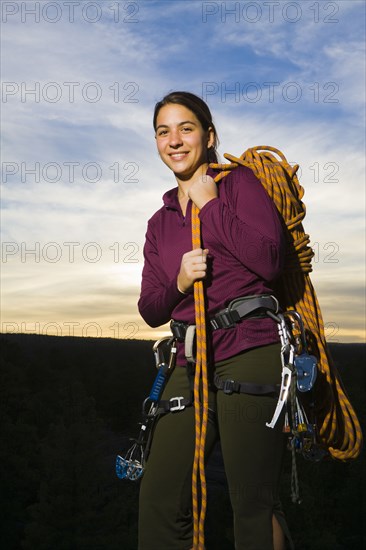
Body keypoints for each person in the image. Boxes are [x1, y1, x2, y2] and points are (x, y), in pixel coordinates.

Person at [137, 91, 292, 550]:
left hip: (250, 348)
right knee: (160, 498)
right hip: (188, 361)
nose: (174, 140)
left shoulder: (239, 186)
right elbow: (150, 309)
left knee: (252, 502)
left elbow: (270, 261)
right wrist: (181, 282)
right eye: (163, 132)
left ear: (208, 136)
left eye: (186, 128)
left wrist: (211, 205)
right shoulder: (159, 222)